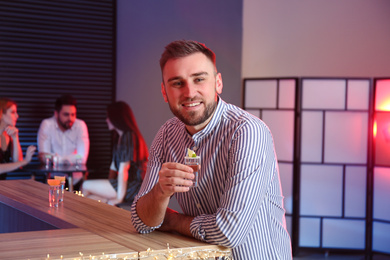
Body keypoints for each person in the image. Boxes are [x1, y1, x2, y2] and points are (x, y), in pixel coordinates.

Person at [130, 40, 292, 259]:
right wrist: (160, 192)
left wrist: (173, 221)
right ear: (164, 91)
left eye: (199, 79)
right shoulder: (167, 134)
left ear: (218, 83)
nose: (189, 92)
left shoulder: (247, 131)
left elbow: (229, 232)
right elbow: (141, 222)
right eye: (177, 83)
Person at [81, 101, 148, 206]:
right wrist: (107, 186)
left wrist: (119, 198)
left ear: (116, 118)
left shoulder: (129, 136)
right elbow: (114, 167)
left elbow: (123, 170)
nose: (106, 120)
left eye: (108, 117)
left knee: (85, 185)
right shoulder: (119, 137)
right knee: (90, 198)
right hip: (123, 185)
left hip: (133, 187)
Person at [37, 94, 89, 184]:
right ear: (56, 114)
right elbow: (44, 158)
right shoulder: (47, 125)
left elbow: (82, 158)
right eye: (66, 114)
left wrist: (57, 159)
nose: (70, 118)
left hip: (76, 181)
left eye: (73, 114)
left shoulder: (80, 125)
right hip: (53, 181)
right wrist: (72, 159)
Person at [0, 98, 36, 178]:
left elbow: (17, 162)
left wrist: (15, 138)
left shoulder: (8, 135)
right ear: (1, 114)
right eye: (13, 112)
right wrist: (25, 161)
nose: (17, 116)